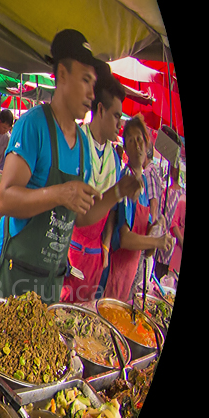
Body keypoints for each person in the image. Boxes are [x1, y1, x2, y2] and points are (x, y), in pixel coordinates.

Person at [0, 30, 140, 301]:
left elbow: (80, 217)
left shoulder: (82, 146)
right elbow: (4, 200)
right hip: (12, 270)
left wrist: (117, 193)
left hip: (48, 281)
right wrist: (61, 193)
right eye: (85, 80)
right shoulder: (34, 125)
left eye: (93, 84)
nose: (91, 93)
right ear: (61, 75)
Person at [61, 67, 126, 304]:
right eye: (117, 116)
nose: (120, 124)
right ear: (101, 110)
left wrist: (106, 247)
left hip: (96, 254)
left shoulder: (115, 160)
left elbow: (110, 213)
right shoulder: (76, 141)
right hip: (69, 245)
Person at [104, 115, 170, 303]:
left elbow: (147, 249)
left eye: (140, 140)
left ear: (147, 143)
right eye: (131, 142)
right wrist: (156, 241)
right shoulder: (127, 179)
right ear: (125, 149)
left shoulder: (145, 185)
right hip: (117, 269)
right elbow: (124, 238)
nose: (137, 146)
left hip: (132, 272)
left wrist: (157, 227)